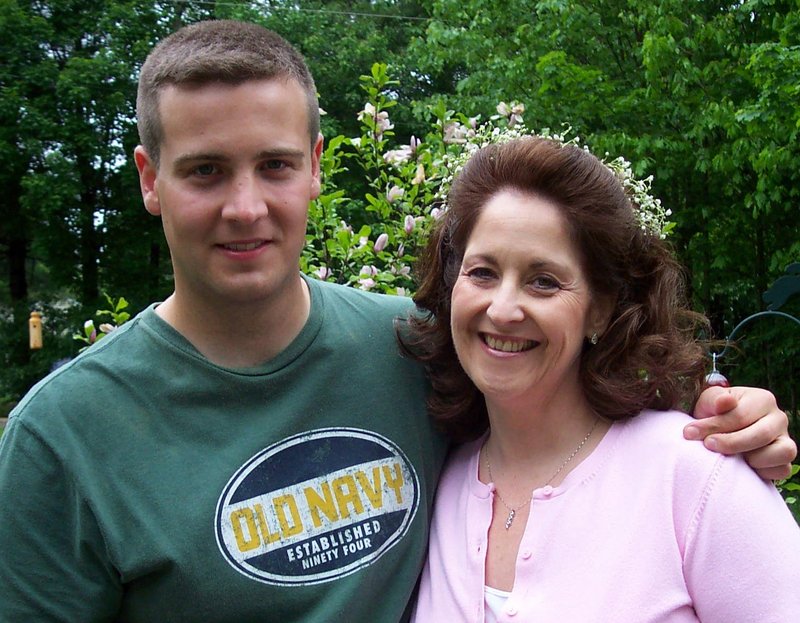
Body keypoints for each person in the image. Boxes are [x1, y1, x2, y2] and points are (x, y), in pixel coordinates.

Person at [0, 19, 793, 623]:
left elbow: (568, 399)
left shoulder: (413, 349)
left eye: (274, 165)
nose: (246, 207)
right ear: (149, 178)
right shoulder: (59, 440)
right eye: (205, 170)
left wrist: (727, 417)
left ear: (315, 166)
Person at [406, 136, 800, 622]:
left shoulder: (694, 477)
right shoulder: (434, 476)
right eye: (482, 272)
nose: (503, 308)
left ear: (601, 309)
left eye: (543, 281)